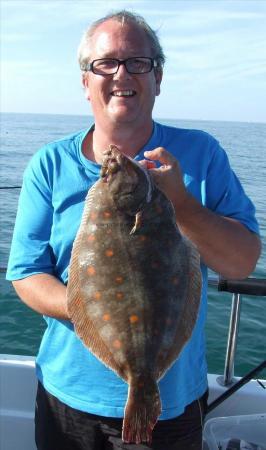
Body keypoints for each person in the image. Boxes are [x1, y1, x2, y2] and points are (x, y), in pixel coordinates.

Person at [7, 10, 261, 450]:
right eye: (106, 63)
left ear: (157, 78)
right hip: (66, 400)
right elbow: (25, 275)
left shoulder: (201, 154)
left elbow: (241, 261)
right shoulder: (49, 164)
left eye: (137, 62)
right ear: (85, 81)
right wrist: (98, 309)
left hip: (172, 404)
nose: (122, 73)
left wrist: (181, 203)